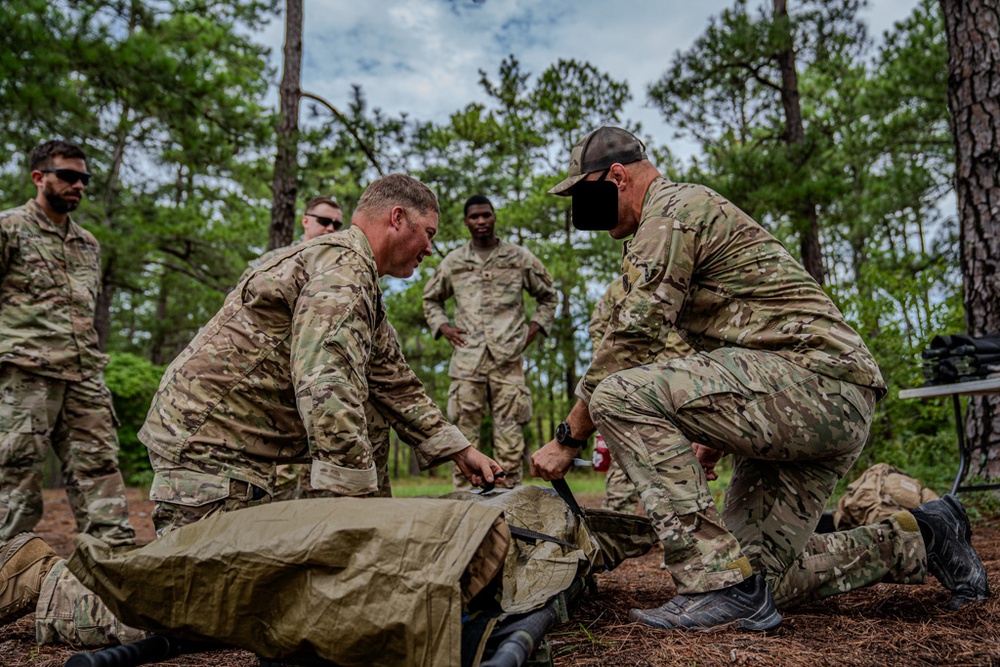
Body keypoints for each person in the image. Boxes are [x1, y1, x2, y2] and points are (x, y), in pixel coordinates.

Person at [531, 126, 989, 631]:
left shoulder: (671, 212)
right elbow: (737, 346)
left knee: (616, 394)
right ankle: (925, 536)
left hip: (820, 383)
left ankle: (715, 585)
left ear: (617, 176)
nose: (580, 206)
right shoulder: (673, 218)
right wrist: (717, 435)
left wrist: (569, 437)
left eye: (582, 190)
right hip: (818, 398)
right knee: (763, 579)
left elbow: (631, 338)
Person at [137, 173, 502, 535]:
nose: (429, 249)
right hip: (211, 446)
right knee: (208, 585)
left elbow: (394, 381)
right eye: (429, 234)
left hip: (231, 441)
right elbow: (326, 383)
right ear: (397, 218)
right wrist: (357, 502)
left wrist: (460, 449)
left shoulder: (355, 276)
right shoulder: (344, 274)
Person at [0, 140, 135, 547]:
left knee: (100, 474)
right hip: (25, 375)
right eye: (69, 176)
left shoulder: (87, 244)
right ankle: (6, 576)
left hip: (84, 378)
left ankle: (116, 579)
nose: (79, 184)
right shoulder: (9, 229)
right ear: (39, 177)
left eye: (85, 178)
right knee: (15, 480)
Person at [423, 195, 558, 489]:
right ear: (466, 222)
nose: (481, 221)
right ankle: (465, 505)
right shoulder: (454, 262)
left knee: (510, 439)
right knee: (462, 438)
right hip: (467, 360)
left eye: (486, 215)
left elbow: (548, 296)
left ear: (494, 217)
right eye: (474, 217)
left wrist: (533, 329)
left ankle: (509, 509)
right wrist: (442, 326)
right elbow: (431, 299)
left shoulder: (519, 258)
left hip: (508, 360)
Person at [238, 195, 344, 284]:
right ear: (305, 221)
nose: (331, 228)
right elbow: (240, 294)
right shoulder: (274, 259)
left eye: (336, 224)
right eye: (324, 221)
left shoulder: (340, 265)